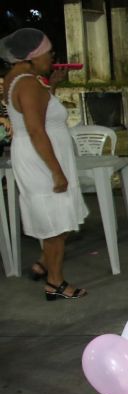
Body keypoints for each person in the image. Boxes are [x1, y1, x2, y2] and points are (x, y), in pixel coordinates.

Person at [1, 28, 89, 299]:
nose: (52, 58)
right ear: (32, 56)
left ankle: (43, 264)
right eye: (49, 53)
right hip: (42, 161)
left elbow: (38, 112)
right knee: (55, 225)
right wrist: (57, 172)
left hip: (38, 156)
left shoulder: (19, 80)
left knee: (54, 221)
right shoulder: (27, 83)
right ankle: (55, 282)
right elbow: (37, 130)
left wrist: (52, 84)